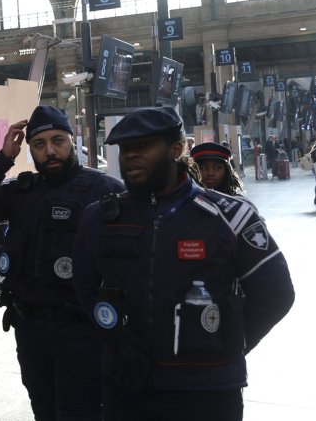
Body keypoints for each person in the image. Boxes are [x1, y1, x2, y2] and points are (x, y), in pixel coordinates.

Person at [73, 107, 295, 420]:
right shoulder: (99, 218)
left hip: (209, 391)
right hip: (127, 387)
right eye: (125, 149)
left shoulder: (232, 216)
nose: (131, 156)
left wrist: (228, 342)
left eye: (144, 146)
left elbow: (276, 294)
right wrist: (116, 340)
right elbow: (85, 287)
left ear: (176, 150)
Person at [0, 104, 125, 421]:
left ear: (72, 141)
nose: (50, 151)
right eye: (39, 144)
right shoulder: (22, 192)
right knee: (44, 412)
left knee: (81, 413)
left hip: (82, 331)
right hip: (31, 328)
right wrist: (3, 158)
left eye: (58, 141)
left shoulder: (105, 191)